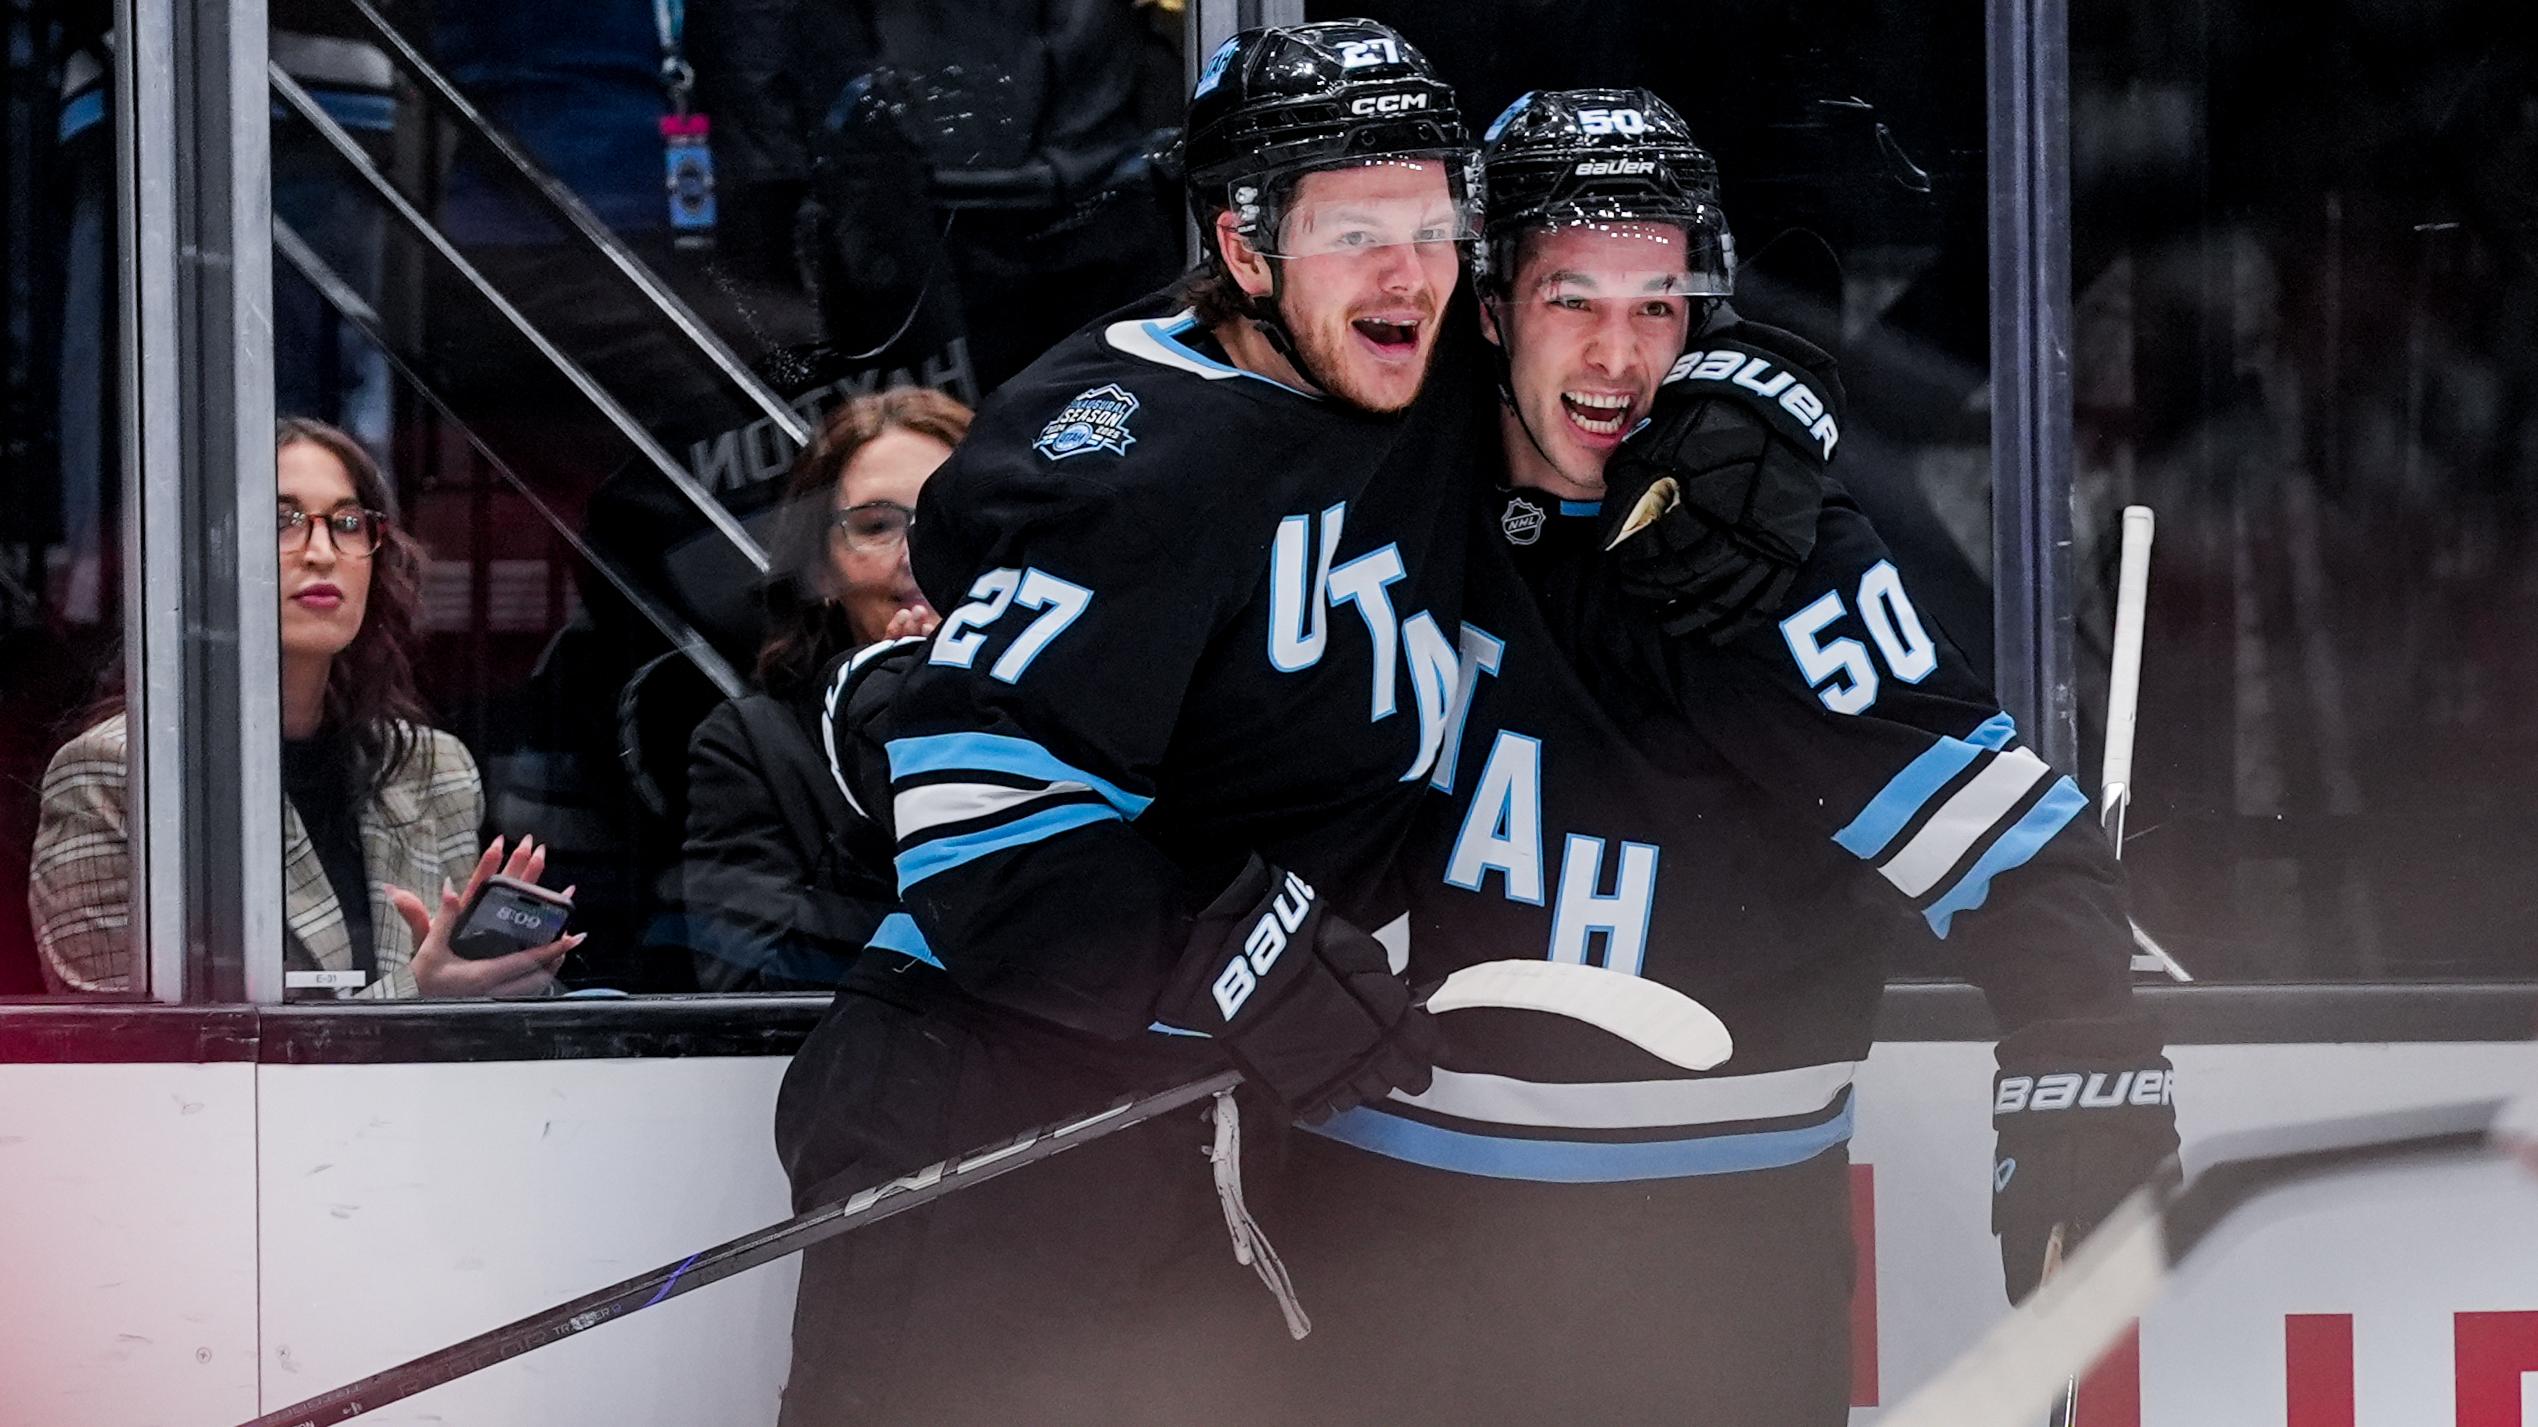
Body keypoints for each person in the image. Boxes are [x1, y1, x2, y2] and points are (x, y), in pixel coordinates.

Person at [1270, 91, 2180, 1424]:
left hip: (1707, 1277)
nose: (1618, 354)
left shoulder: (1755, 546)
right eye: (1572, 299)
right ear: (1489, 306)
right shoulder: (1363, 500)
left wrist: (2081, 1053)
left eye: (1659, 305)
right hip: (1381, 1258)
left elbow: (2021, 857)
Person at [773, 20, 1490, 1423]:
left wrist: (1746, 408)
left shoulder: (1403, 371)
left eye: (1431, 224)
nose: (1409, 271)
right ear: (1244, 248)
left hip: (1184, 1112)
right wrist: (1235, 957)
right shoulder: (1129, 453)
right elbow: (977, 821)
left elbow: (1603, 312)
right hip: (986, 1105)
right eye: (1354, 232)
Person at [26, 418, 578, 1000]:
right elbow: (122, 1042)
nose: (322, 553)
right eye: (280, 522)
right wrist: (420, 998)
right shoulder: (117, 774)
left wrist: (504, 985)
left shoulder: (434, 769)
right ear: (201, 558)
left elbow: (459, 995)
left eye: (347, 523)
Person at [683, 387, 967, 992]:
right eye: (877, 525)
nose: (916, 555)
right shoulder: (753, 744)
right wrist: (894, 751)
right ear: (820, 570)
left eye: (950, 516)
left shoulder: (1085, 710)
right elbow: (748, 988)